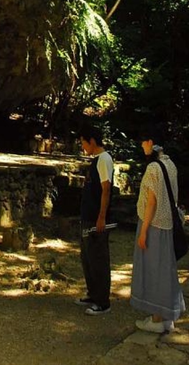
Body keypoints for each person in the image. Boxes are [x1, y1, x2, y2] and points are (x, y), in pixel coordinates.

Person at [130, 133, 185, 333]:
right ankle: (167, 316)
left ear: (151, 143)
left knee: (152, 271)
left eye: (144, 142)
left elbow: (151, 202)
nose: (142, 146)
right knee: (165, 271)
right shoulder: (170, 164)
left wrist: (143, 232)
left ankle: (156, 319)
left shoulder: (153, 168)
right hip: (167, 226)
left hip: (153, 225)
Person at [75, 126, 114, 315]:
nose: (82, 146)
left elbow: (106, 189)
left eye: (83, 142)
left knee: (98, 258)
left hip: (96, 218)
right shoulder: (96, 160)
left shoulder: (104, 159)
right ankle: (92, 293)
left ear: (91, 141)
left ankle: (102, 301)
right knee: (88, 257)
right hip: (87, 215)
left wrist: (102, 217)